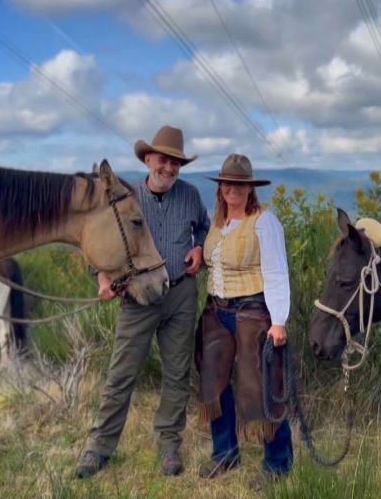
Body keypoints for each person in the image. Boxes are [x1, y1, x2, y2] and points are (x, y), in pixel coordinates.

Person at [76, 126, 210, 478]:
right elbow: (96, 241)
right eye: (164, 160)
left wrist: (199, 248)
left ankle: (169, 446)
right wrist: (102, 277)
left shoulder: (192, 196)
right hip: (137, 296)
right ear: (148, 159)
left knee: (177, 373)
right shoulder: (127, 198)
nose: (169, 168)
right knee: (122, 373)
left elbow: (205, 229)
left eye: (176, 163)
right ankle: (99, 448)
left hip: (180, 292)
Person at [195, 153, 293, 491]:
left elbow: (277, 272)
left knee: (263, 388)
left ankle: (277, 464)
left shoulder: (265, 222)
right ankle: (225, 454)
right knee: (215, 385)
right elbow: (216, 263)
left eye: (240, 184)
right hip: (216, 312)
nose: (232, 189)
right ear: (221, 186)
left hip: (253, 313)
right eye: (227, 183)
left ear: (250, 188)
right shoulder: (217, 222)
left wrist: (278, 320)